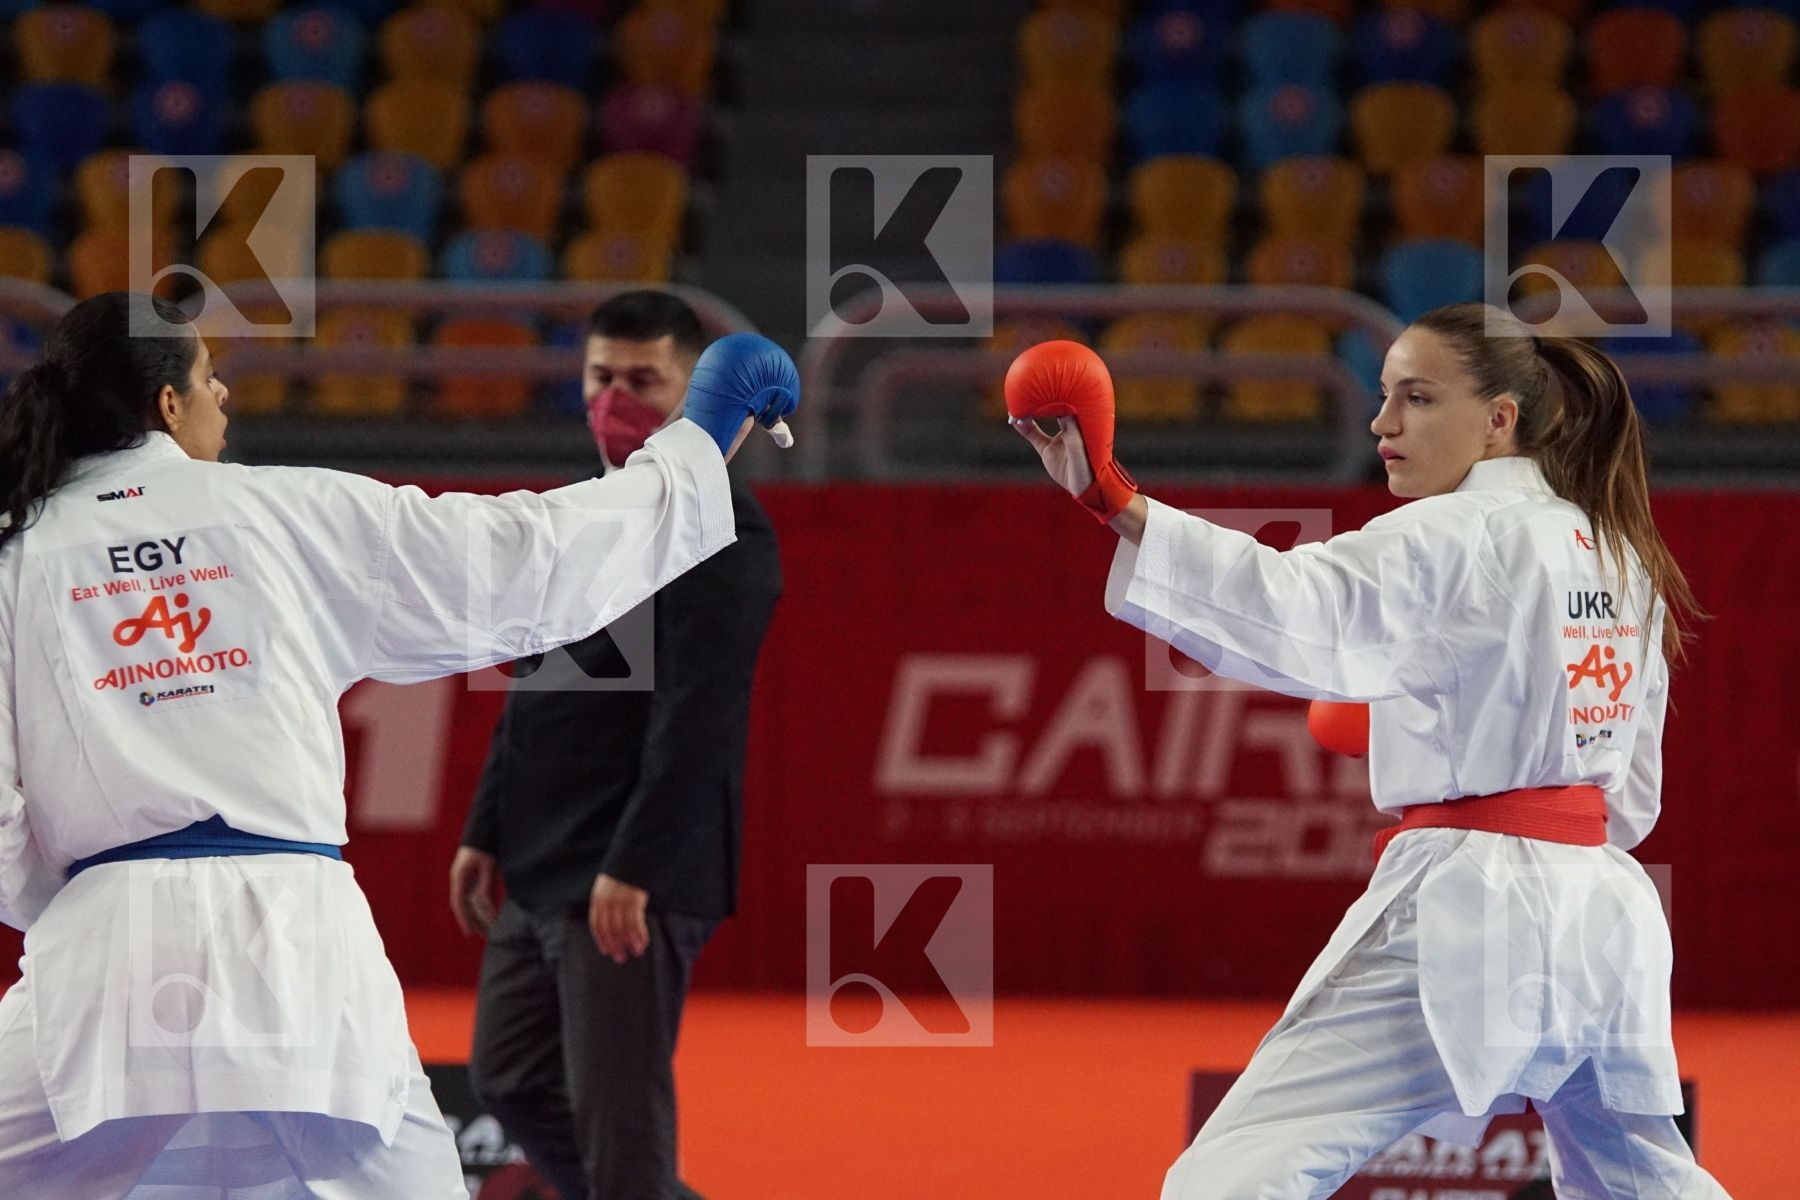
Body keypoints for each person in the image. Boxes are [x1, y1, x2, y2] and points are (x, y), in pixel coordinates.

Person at [0, 291, 796, 1198]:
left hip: (103, 967)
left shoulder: (15, 553)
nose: (226, 400)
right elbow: (527, 557)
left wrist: (80, 905)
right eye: (211, 380)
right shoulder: (284, 512)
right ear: (169, 407)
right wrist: (703, 431)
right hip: (299, 956)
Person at [1009, 305, 1731, 1200]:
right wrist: (1451, 740)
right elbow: (1631, 797)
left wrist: (1113, 499)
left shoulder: (1454, 532)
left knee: (1235, 1172)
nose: (1383, 424)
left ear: (1499, 419)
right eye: (1385, 396)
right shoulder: (1623, 556)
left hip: (1472, 911)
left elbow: (1291, 603)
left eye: (1417, 399)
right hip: (1603, 919)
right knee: (1643, 1184)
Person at [449, 291, 782, 1200]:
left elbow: (701, 716)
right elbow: (534, 690)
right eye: (602, 377)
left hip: (632, 877)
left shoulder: (727, 530)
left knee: (621, 1131)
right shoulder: (582, 513)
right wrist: (485, 828)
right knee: (509, 1078)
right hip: (540, 857)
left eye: (644, 380)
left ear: (691, 395)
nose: (616, 398)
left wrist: (635, 867)